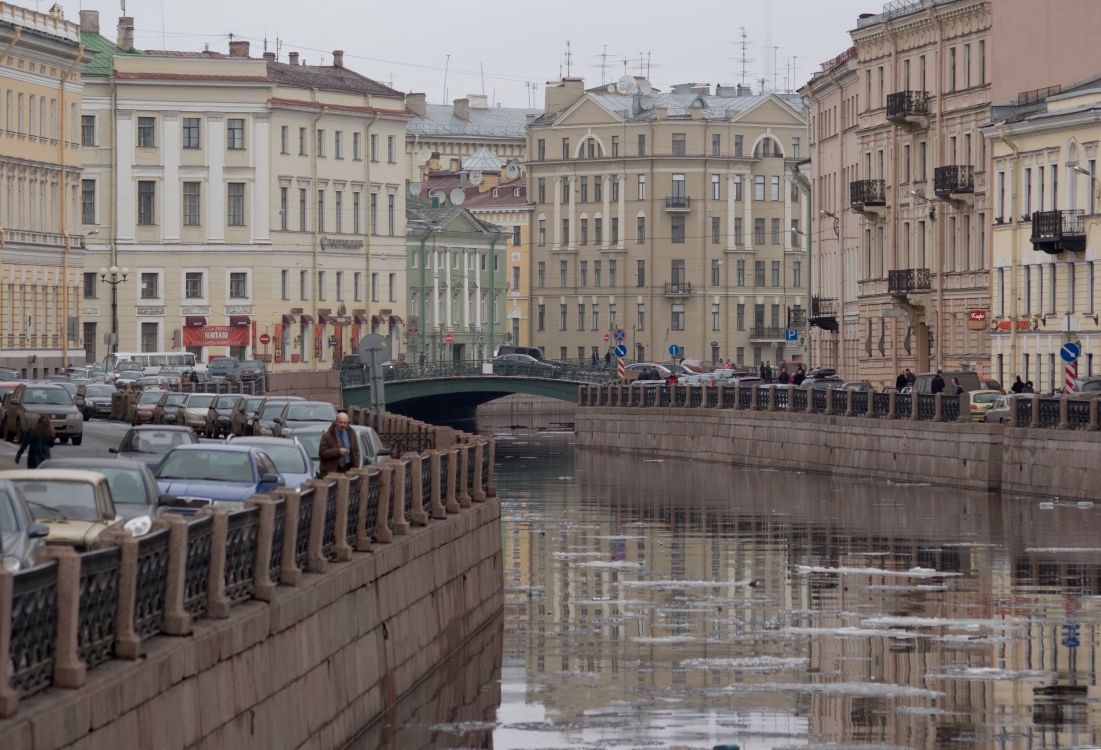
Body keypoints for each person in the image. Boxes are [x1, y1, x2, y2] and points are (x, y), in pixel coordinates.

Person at [318, 411, 360, 476]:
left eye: (345, 423)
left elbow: (356, 451)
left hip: (348, 469)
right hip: (333, 471)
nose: (343, 425)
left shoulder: (351, 434)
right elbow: (322, 453)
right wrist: (338, 451)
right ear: (336, 422)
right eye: (341, 422)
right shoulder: (327, 436)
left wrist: (356, 466)